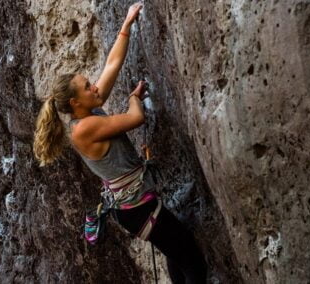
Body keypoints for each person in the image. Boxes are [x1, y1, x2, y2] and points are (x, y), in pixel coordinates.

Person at [33, 2, 207, 283]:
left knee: (177, 255)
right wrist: (133, 98)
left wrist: (126, 25)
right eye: (88, 86)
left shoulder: (89, 111)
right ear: (76, 102)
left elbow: (112, 64)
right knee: (194, 264)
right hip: (137, 209)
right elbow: (135, 118)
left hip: (137, 207)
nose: (94, 87)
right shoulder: (83, 129)